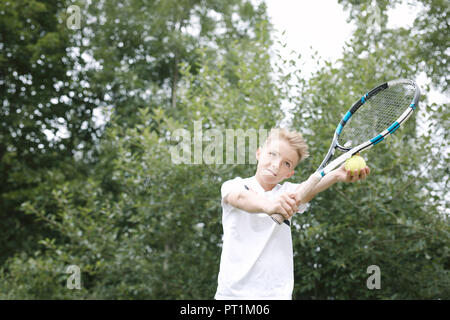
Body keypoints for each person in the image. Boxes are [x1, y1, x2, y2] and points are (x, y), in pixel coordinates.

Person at [214, 128, 370, 300]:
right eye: (272, 154)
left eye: (286, 163)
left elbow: (308, 189)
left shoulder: (289, 193)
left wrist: (336, 175)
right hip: (231, 296)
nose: (276, 164)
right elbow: (240, 198)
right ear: (259, 153)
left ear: (290, 173)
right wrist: (270, 206)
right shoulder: (234, 185)